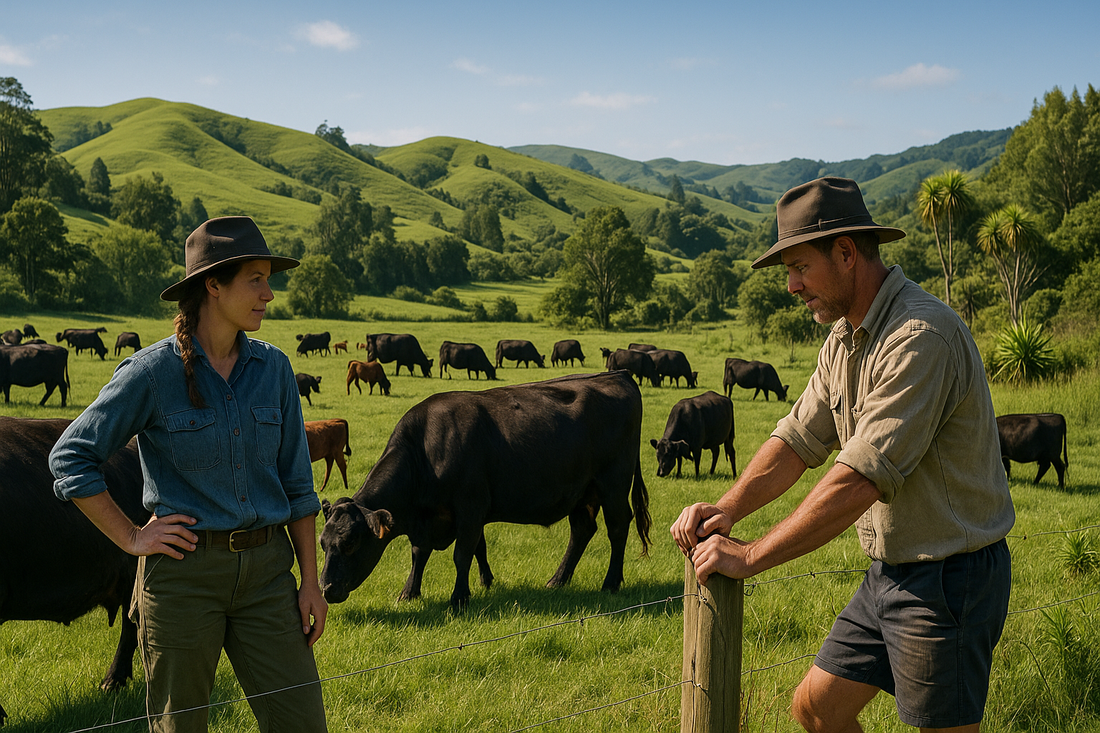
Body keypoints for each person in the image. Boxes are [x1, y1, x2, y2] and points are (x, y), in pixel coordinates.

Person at [671, 177, 1014, 733]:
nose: (790, 285)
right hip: (893, 571)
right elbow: (796, 439)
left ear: (847, 253)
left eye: (800, 267)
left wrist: (751, 555)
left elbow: (858, 481)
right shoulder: (846, 336)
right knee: (817, 709)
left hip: (951, 578)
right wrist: (727, 509)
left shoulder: (919, 336)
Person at [50, 216, 328, 733]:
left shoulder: (275, 370)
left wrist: (311, 581)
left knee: (302, 724)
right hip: (182, 580)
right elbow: (71, 457)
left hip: (269, 576)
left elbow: (299, 487)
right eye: (256, 279)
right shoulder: (151, 373)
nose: (269, 293)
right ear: (213, 285)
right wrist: (133, 536)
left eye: (270, 279)